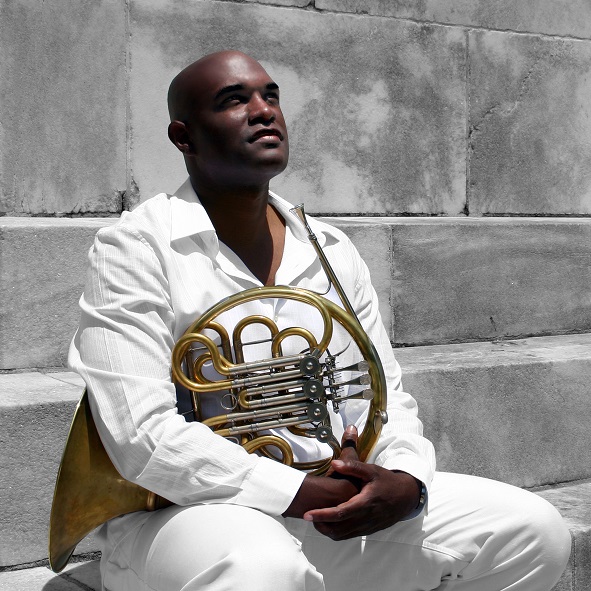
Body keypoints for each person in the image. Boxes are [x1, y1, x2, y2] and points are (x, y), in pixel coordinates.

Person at [69, 50, 571, 591]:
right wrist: (292, 489)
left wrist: (404, 477)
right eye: (234, 101)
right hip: (187, 515)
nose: (264, 111)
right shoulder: (135, 246)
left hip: (321, 505)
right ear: (183, 137)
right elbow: (141, 434)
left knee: (534, 531)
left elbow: (386, 395)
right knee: (260, 568)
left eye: (271, 95)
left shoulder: (330, 247)